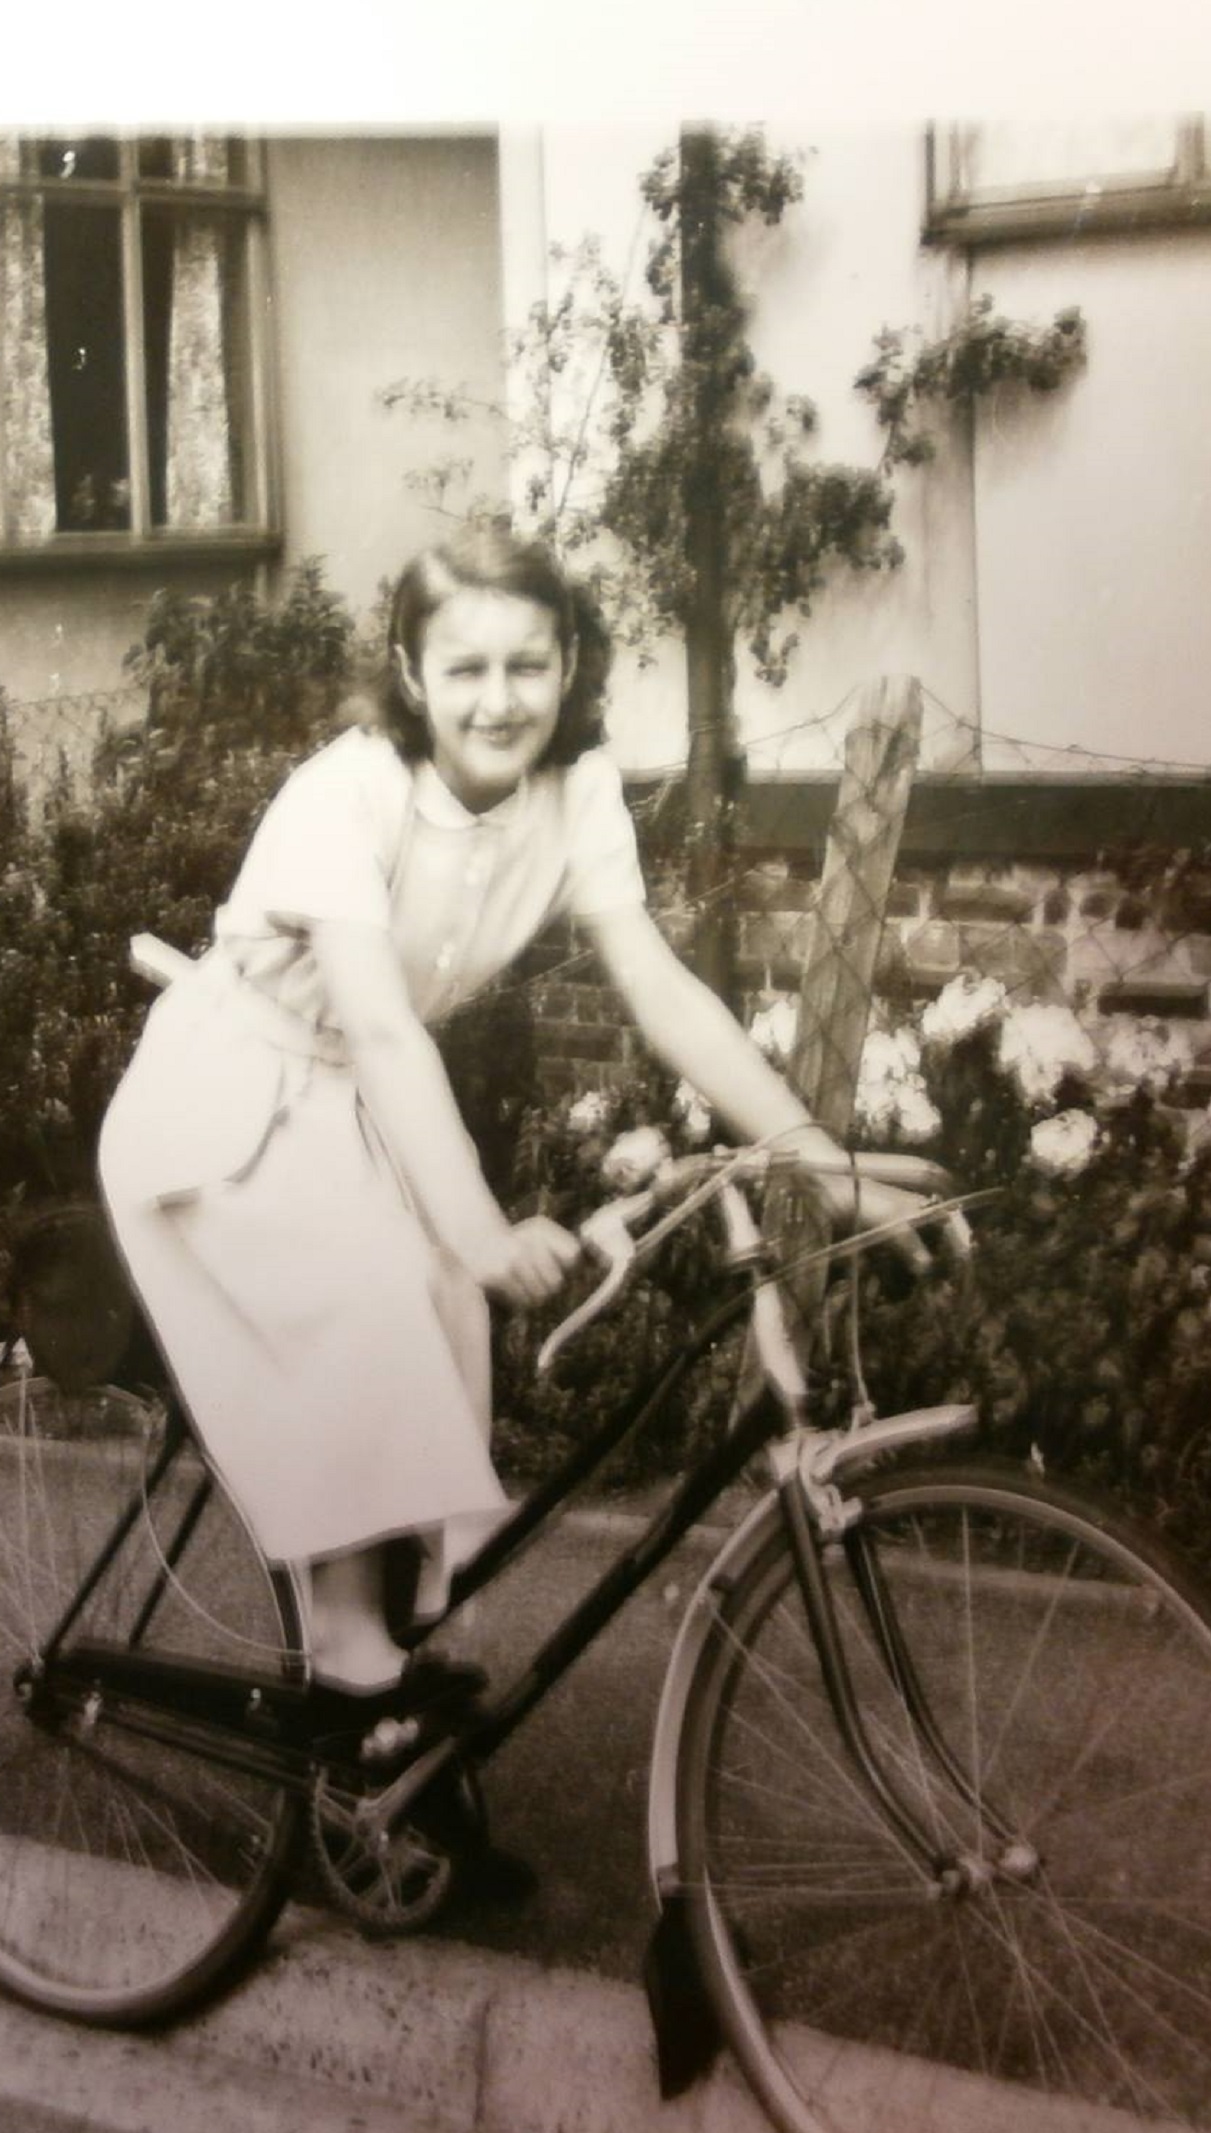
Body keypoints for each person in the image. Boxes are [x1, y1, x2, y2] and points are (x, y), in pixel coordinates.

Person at [98, 530, 920, 1758]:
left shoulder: (576, 789)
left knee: (442, 1320)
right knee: (371, 1300)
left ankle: (389, 1759)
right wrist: (479, 1227)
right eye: (464, 668)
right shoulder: (351, 791)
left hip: (350, 1103)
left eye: (527, 666)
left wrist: (820, 1157)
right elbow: (377, 1025)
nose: (498, 700)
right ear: (411, 675)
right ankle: (347, 1670)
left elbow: (660, 985)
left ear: (570, 662)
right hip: (223, 1097)